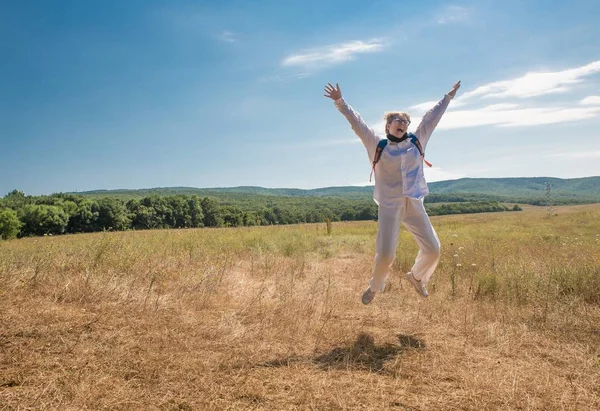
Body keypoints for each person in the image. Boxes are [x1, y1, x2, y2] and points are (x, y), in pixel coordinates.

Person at [324, 80, 461, 304]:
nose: (403, 123)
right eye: (398, 120)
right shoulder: (377, 145)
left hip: (414, 203)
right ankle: (374, 287)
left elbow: (431, 118)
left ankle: (417, 277)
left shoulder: (417, 141)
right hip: (389, 205)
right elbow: (357, 123)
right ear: (388, 126)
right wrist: (340, 101)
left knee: (433, 249)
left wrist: (448, 97)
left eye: (406, 121)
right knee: (386, 254)